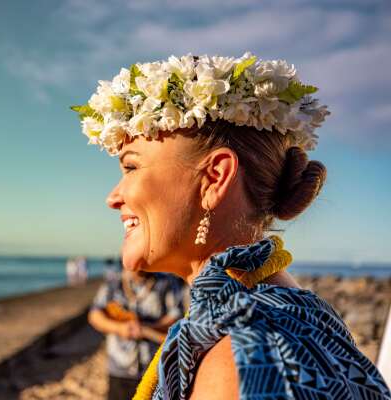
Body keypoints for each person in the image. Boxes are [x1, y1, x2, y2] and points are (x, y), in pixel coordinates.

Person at [71, 53, 391, 399]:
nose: (113, 197)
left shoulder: (242, 361)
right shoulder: (281, 315)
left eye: (131, 168)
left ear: (214, 178)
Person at [88, 264, 185, 400]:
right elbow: (95, 315)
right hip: (120, 366)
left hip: (154, 367)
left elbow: (176, 317)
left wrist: (145, 327)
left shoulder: (166, 283)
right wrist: (119, 328)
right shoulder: (112, 284)